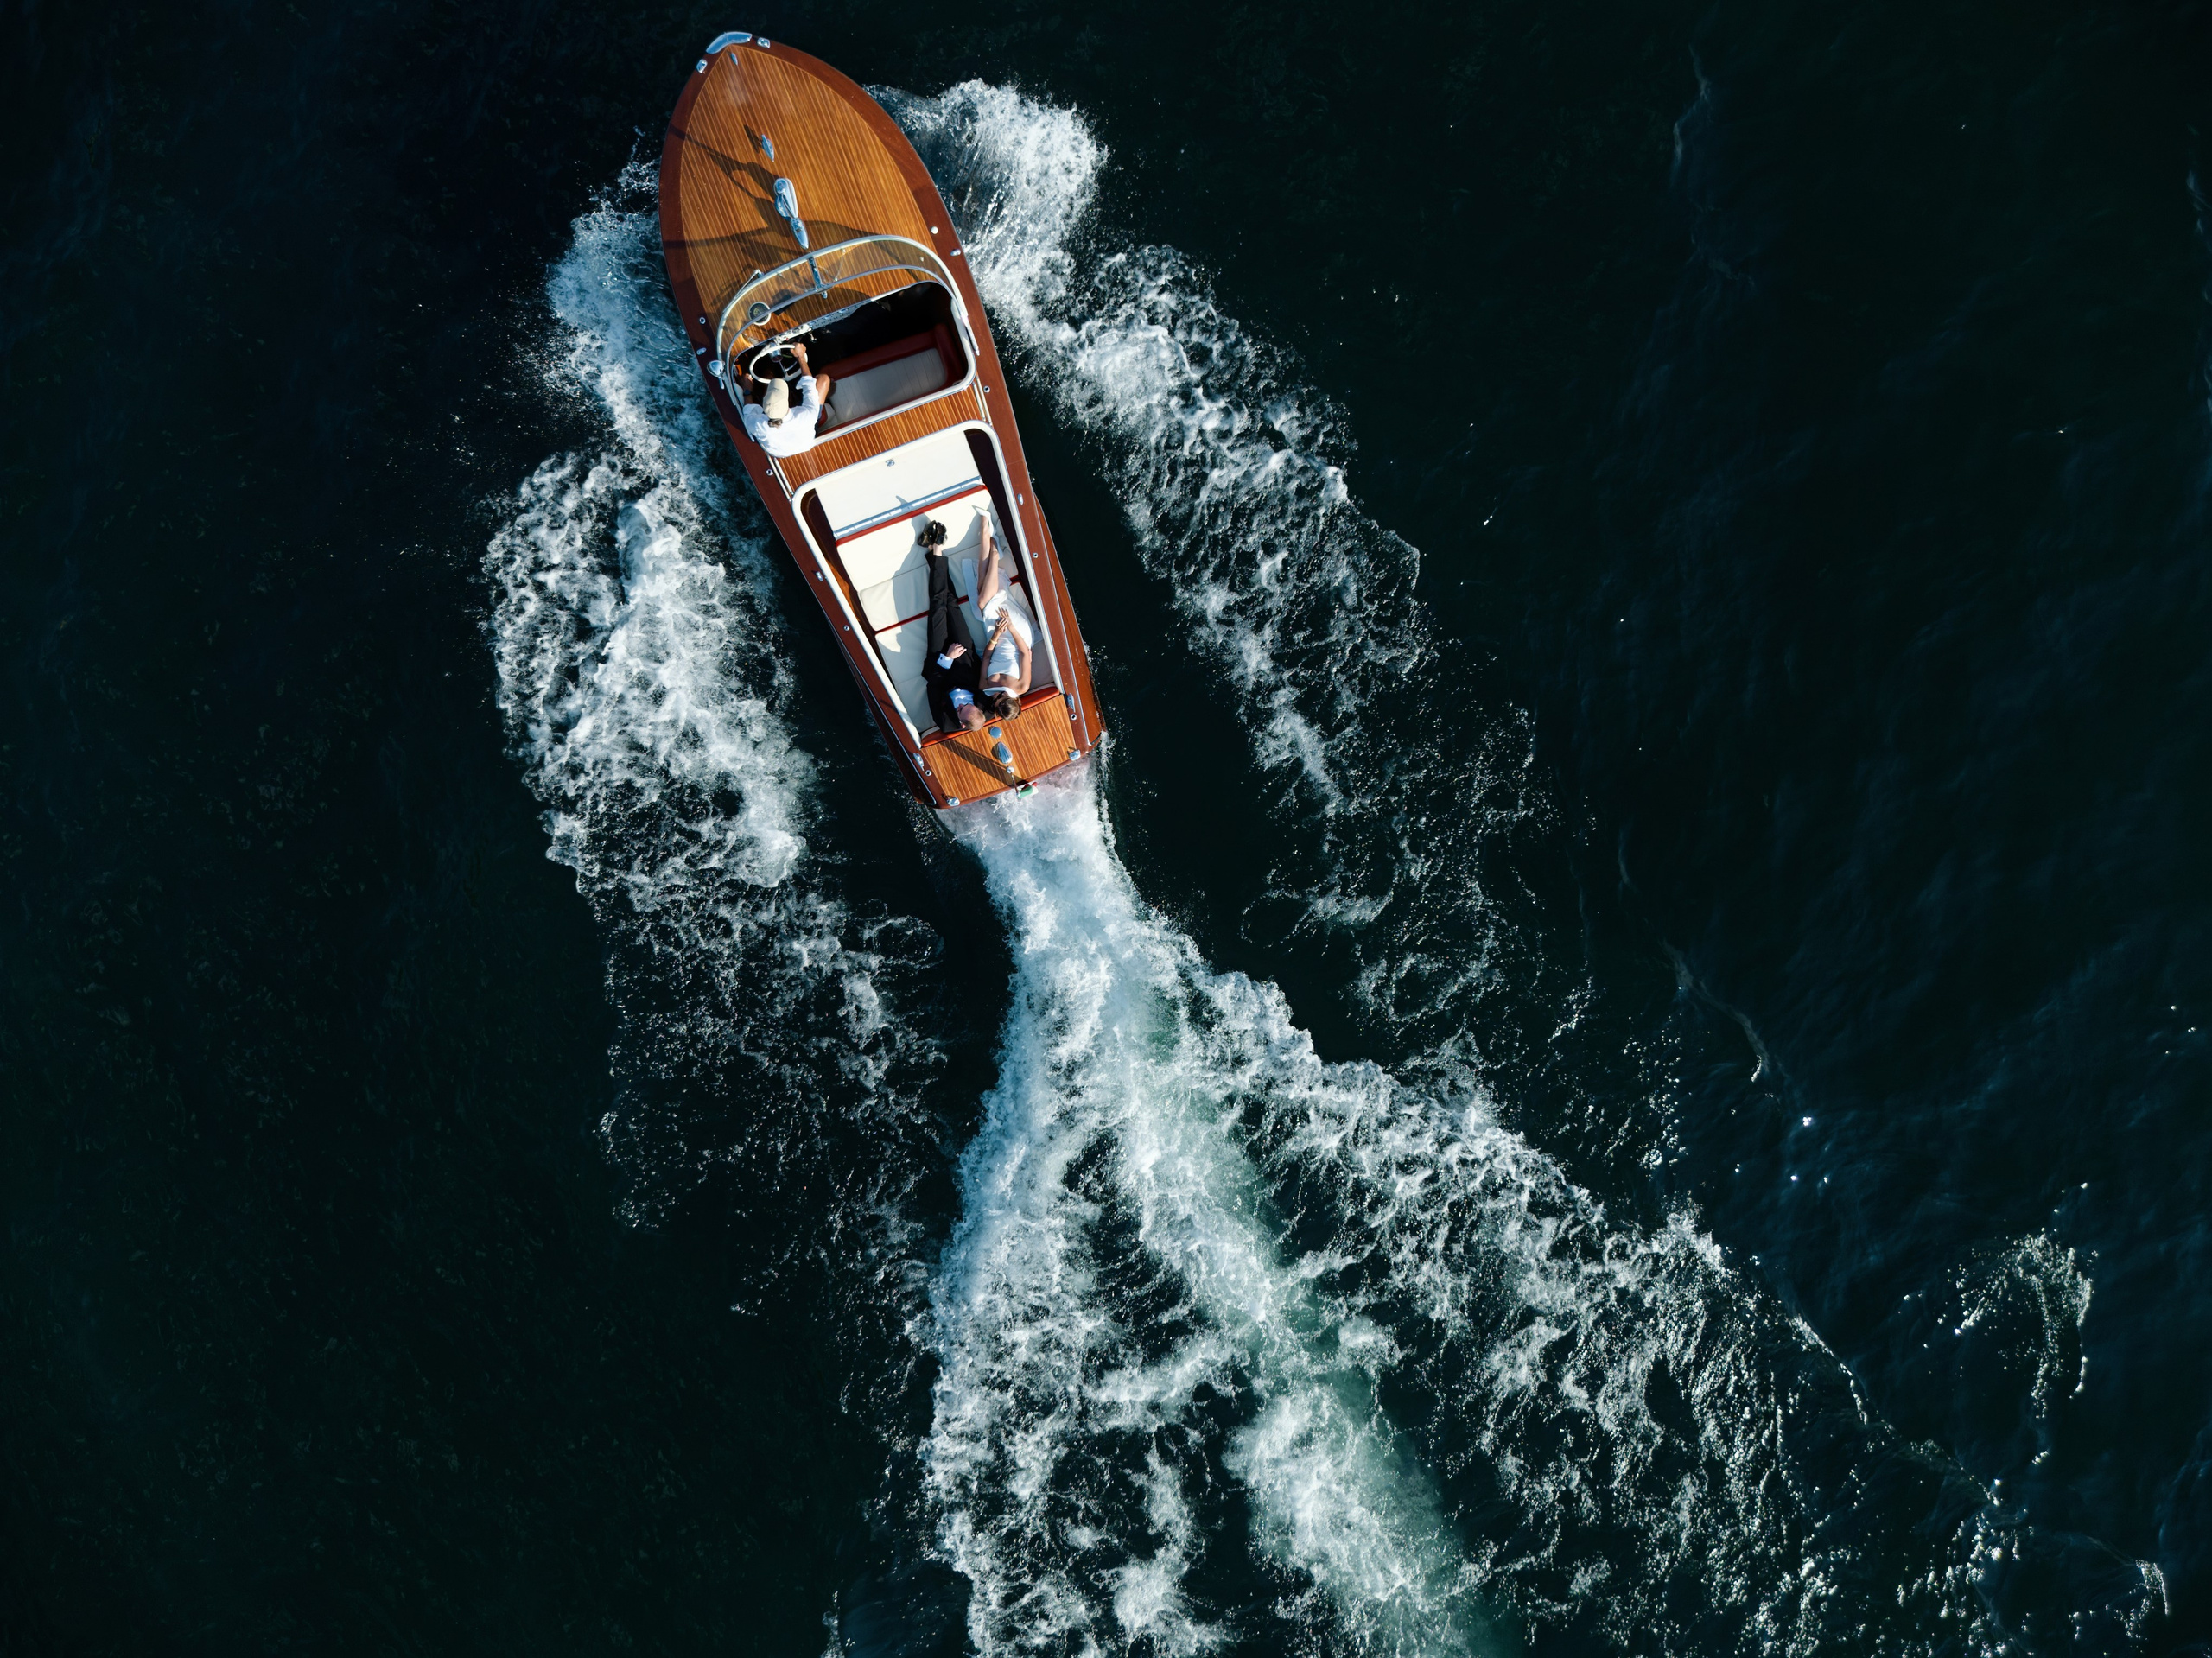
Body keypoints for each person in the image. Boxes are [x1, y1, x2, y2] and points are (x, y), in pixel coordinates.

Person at [918, 520, 988, 734]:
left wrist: (947, 658)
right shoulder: (984, 706)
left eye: (960, 710)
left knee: (938, 607)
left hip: (939, 660)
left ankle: (937, 550)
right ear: (975, 708)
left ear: (962, 723)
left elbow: (932, 686)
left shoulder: (946, 722)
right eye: (966, 706)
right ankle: (934, 552)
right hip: (965, 653)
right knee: (951, 602)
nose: (960, 705)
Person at [973, 514, 1032, 721]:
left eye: (996, 699)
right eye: (1002, 695)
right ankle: (992, 547)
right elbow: (1025, 653)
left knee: (982, 593)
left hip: (996, 637)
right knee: (983, 601)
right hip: (1018, 636)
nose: (996, 694)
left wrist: (996, 634)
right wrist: (1011, 628)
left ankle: (990, 542)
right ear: (1014, 699)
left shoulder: (985, 687)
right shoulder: (1021, 686)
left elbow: (987, 657)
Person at [735, 343, 835, 458]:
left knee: (768, 375)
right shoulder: (807, 416)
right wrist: (800, 356)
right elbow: (809, 383)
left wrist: (747, 390)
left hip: (787, 445)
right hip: (804, 431)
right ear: (787, 402)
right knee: (824, 380)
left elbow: (748, 410)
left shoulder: (758, 426)